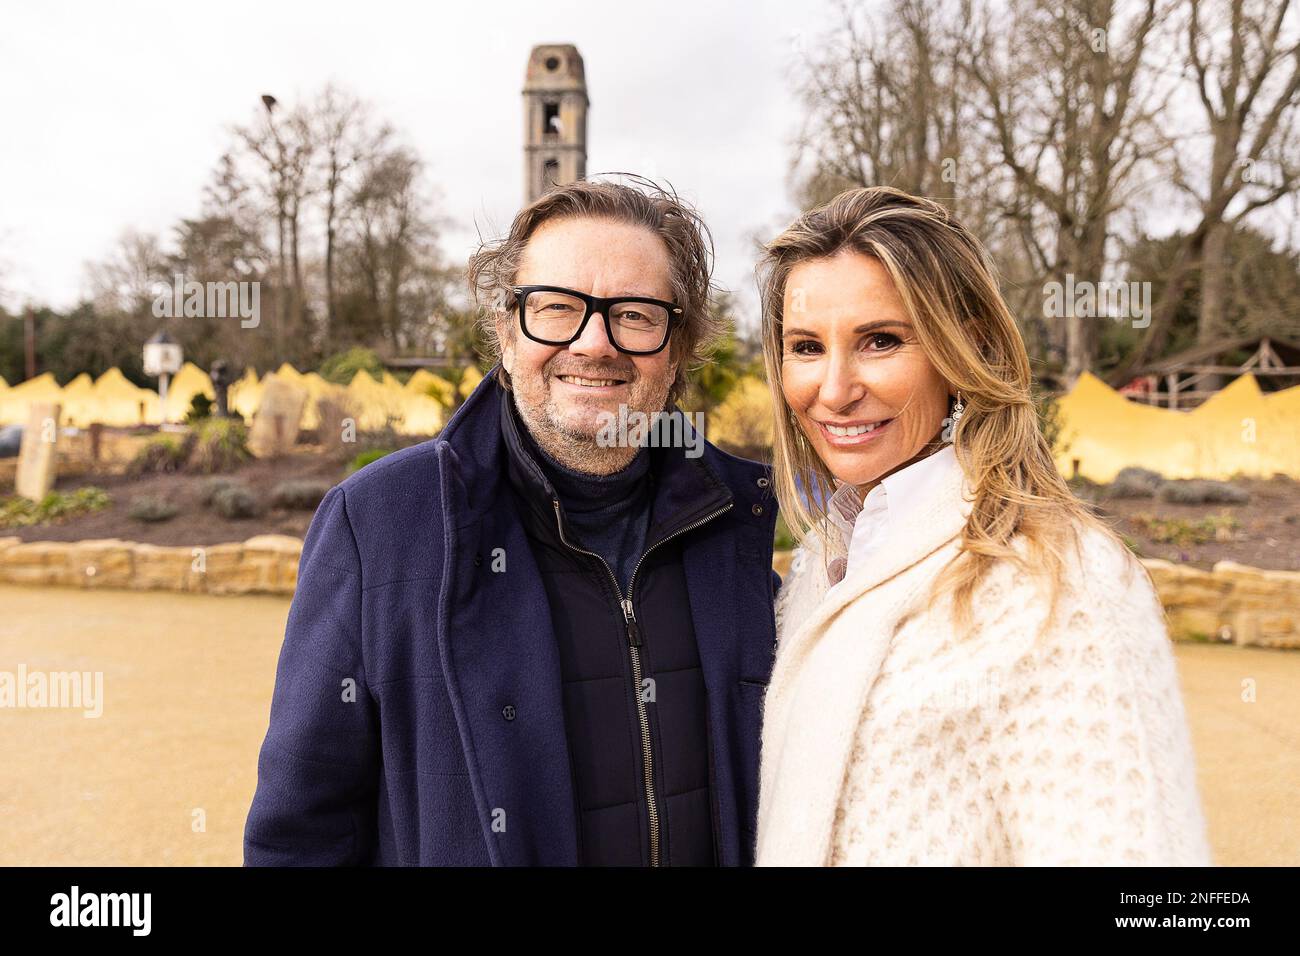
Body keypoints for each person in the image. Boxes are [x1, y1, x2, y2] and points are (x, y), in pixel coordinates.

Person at [244, 177, 780, 866]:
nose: (593, 343)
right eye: (556, 308)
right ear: (505, 333)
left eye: (637, 314)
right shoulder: (378, 528)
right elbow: (300, 837)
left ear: (676, 349)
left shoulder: (734, 529)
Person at [753, 186, 1212, 866]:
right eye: (807, 346)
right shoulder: (823, 564)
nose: (835, 388)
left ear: (963, 346)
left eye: (881, 340)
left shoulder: (1065, 579)